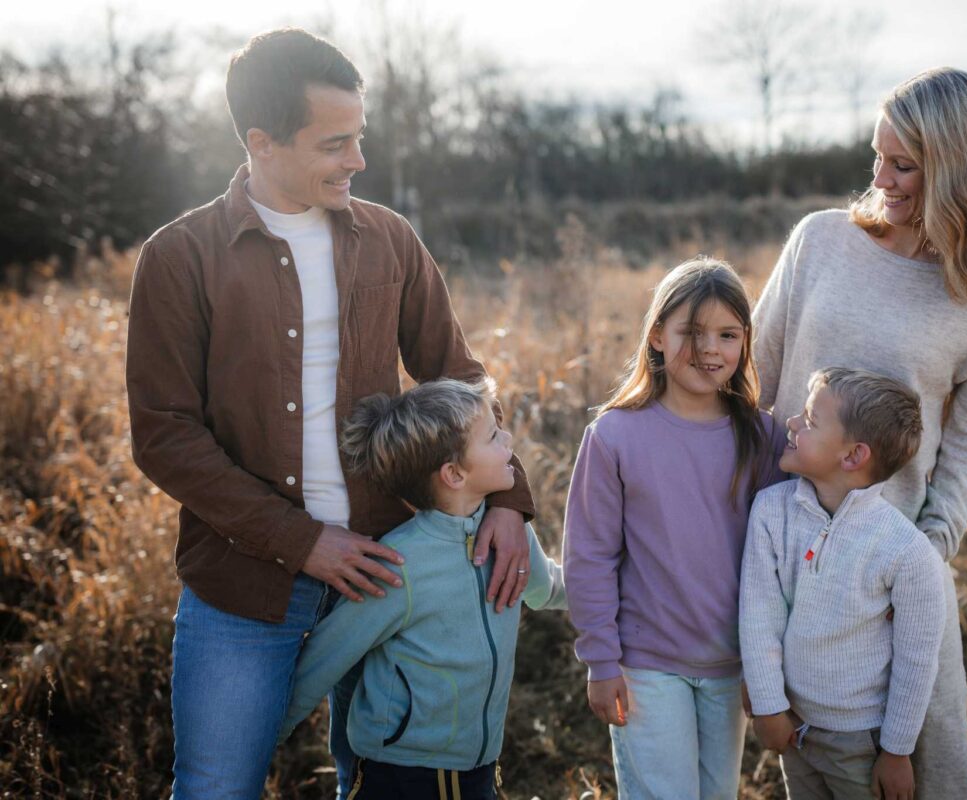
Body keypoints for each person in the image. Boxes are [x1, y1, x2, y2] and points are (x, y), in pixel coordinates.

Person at [125, 28, 535, 799]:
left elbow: (458, 376)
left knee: (380, 786)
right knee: (216, 787)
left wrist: (510, 500)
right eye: (334, 143)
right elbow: (164, 435)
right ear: (261, 142)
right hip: (242, 585)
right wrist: (303, 542)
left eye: (360, 136)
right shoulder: (180, 257)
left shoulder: (389, 240)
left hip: (388, 568)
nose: (359, 160)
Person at [753, 67, 967, 799]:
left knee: (926, 762)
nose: (880, 179)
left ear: (958, 170)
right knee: (817, 758)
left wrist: (930, 546)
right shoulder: (820, 241)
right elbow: (752, 380)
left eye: (903, 164)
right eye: (877, 155)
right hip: (790, 544)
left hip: (895, 556)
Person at [563, 257, 788, 799]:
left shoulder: (763, 438)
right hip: (645, 665)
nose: (710, 349)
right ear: (657, 335)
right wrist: (600, 660)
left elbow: (781, 559)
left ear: (745, 342)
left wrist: (767, 668)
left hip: (731, 664)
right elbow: (589, 557)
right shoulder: (615, 436)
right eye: (692, 331)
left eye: (727, 334)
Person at [276, 379, 565, 800]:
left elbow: (547, 588)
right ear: (454, 474)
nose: (508, 440)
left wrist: (625, 589)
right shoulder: (399, 564)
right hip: (399, 778)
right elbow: (325, 658)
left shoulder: (510, 536)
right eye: (492, 436)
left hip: (480, 772)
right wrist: (264, 741)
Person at [740, 367, 946, 800]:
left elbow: (916, 660)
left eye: (810, 420)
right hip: (794, 726)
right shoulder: (771, 512)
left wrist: (897, 751)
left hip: (862, 741)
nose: (791, 422)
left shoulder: (906, 552)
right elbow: (759, 617)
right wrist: (769, 705)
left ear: (853, 456)